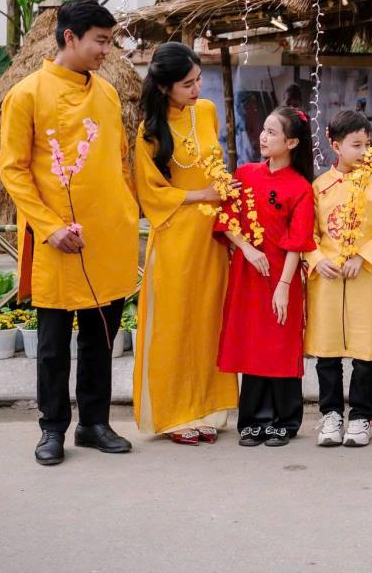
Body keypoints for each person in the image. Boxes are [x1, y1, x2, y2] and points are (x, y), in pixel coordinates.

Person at [0, 0, 139, 466]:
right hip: (57, 240)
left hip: (108, 236)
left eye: (109, 40)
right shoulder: (27, 94)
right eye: (100, 40)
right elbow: (13, 171)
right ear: (69, 38)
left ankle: (94, 424)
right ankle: (52, 428)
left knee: (101, 338)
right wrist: (50, 227)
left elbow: (120, 160)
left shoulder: (108, 94)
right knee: (53, 346)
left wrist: (127, 211)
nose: (106, 50)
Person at [133, 43, 238, 445]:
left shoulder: (206, 112)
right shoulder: (149, 133)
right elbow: (150, 192)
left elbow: (217, 169)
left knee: (209, 322)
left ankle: (207, 409)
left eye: (198, 80)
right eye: (187, 84)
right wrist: (201, 196)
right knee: (174, 325)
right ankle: (173, 415)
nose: (197, 89)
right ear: (164, 87)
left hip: (212, 237)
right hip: (175, 235)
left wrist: (228, 208)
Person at [305, 110, 372, 448]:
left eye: (368, 144)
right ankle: (331, 414)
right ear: (336, 146)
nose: (364, 151)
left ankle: (361, 417)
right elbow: (308, 233)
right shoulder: (319, 187)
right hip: (328, 281)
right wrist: (317, 260)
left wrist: (363, 257)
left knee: (366, 354)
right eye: (356, 145)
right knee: (327, 355)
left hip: (366, 280)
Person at [217, 107, 316, 448]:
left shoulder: (301, 187)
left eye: (272, 132)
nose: (263, 136)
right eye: (264, 129)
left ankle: (285, 421)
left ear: (292, 143)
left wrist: (285, 287)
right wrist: (246, 248)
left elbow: (298, 242)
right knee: (252, 342)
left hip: (280, 275)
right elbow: (226, 219)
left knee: (280, 344)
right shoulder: (244, 174)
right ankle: (253, 420)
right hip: (248, 274)